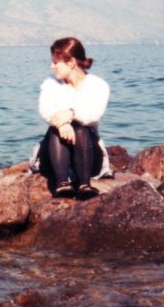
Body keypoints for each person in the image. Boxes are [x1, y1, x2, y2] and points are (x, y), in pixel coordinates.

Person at [36, 37, 110, 199]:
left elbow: (93, 115)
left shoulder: (98, 85)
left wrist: (71, 114)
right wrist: (62, 124)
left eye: (56, 62)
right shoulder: (50, 84)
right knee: (55, 129)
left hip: (87, 152)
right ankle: (62, 183)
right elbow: (45, 109)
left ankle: (84, 184)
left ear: (71, 62)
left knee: (82, 128)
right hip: (55, 153)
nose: (52, 66)